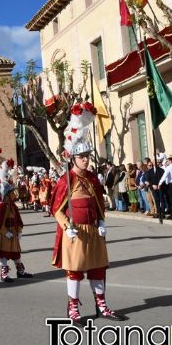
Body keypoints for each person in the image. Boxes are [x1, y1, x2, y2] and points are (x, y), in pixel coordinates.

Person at [51, 102, 125, 323]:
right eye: (82, 156)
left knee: (98, 268)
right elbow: (56, 208)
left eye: (88, 156)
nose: (86, 159)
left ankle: (101, 304)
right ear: (73, 157)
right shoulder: (67, 179)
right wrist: (67, 227)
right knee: (75, 271)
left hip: (93, 229)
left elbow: (98, 202)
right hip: (74, 231)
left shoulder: (92, 177)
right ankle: (73, 308)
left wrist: (102, 221)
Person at [0, 159, 33, 282]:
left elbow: (18, 219)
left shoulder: (12, 205)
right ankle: (4, 274)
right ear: (6, 194)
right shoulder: (2, 206)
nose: (14, 194)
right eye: (12, 193)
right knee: (4, 254)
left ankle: (20, 271)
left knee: (16, 254)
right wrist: (4, 232)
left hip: (13, 232)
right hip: (5, 233)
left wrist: (19, 231)